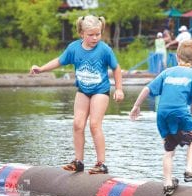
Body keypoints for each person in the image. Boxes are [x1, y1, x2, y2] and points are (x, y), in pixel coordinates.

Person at [130, 40, 192, 196]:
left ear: (177, 57)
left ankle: (168, 184)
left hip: (162, 114)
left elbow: (147, 88)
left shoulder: (166, 72)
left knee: (168, 149)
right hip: (180, 113)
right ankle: (189, 170)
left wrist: (136, 106)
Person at [29, 15, 124, 174]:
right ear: (81, 34)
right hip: (83, 90)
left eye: (98, 34)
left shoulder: (104, 49)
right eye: (91, 35)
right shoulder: (74, 48)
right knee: (77, 124)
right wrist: (41, 69)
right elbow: (59, 61)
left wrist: (119, 88)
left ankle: (101, 164)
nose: (95, 38)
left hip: (100, 90)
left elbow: (116, 68)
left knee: (94, 125)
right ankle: (78, 162)